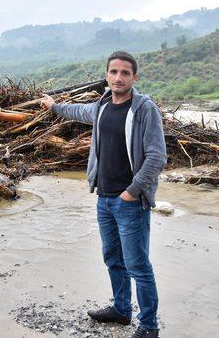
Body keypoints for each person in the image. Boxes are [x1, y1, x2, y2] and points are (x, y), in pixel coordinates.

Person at [41, 51, 167, 338]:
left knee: (138, 264)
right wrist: (53, 105)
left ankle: (149, 325)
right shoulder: (101, 106)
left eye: (125, 73)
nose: (118, 78)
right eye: (113, 72)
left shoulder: (144, 109)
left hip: (130, 202)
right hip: (104, 199)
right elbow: (77, 111)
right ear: (107, 76)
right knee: (113, 258)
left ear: (135, 77)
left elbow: (157, 157)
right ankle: (122, 310)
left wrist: (132, 192)